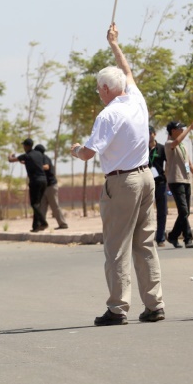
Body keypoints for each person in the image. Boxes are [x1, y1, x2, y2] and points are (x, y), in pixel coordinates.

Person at [70, 23, 165, 326]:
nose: (99, 94)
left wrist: (76, 149)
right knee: (145, 243)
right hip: (146, 178)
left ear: (106, 89)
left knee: (116, 245)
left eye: (99, 89)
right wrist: (114, 44)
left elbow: (89, 153)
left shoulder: (108, 114)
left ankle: (117, 307)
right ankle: (154, 304)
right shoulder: (136, 100)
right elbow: (128, 72)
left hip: (122, 182)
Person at [164, 120, 193, 249]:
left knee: (186, 212)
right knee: (183, 211)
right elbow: (176, 142)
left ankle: (174, 236)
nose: (182, 130)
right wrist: (190, 128)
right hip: (176, 181)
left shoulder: (183, 146)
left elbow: (189, 164)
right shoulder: (169, 144)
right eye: (180, 129)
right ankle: (187, 238)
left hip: (186, 180)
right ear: (173, 131)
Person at [8, 138, 49, 232]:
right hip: (44, 181)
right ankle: (35, 227)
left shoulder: (27, 155)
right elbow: (32, 163)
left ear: (26, 146)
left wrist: (10, 155)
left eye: (23, 145)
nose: (23, 147)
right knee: (37, 204)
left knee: (34, 204)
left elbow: (11, 160)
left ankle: (43, 222)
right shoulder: (38, 154)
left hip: (35, 182)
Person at [34, 144, 68, 229]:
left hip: (51, 186)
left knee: (55, 206)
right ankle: (42, 225)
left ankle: (63, 224)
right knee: (42, 207)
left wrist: (37, 167)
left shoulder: (44, 158)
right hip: (44, 187)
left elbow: (46, 167)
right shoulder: (39, 159)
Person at [149, 126, 168, 247]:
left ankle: (160, 238)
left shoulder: (161, 148)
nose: (148, 135)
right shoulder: (142, 149)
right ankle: (146, 238)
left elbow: (169, 162)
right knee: (145, 212)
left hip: (160, 183)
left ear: (154, 134)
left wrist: (167, 174)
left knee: (162, 212)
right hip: (147, 184)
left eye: (150, 133)